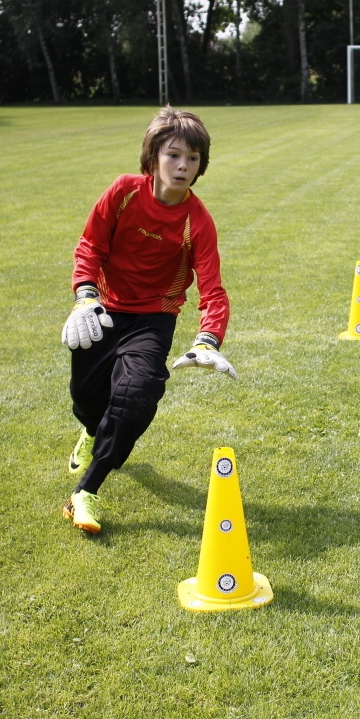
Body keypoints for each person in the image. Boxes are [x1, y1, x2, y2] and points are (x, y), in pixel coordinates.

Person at [60, 107, 237, 535]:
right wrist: (85, 296)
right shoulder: (122, 192)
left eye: (193, 158)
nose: (183, 166)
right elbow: (90, 246)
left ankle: (85, 493)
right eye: (174, 154)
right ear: (153, 156)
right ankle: (90, 428)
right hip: (102, 312)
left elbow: (213, 289)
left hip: (152, 320)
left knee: (137, 396)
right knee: (86, 398)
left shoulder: (199, 221)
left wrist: (208, 340)